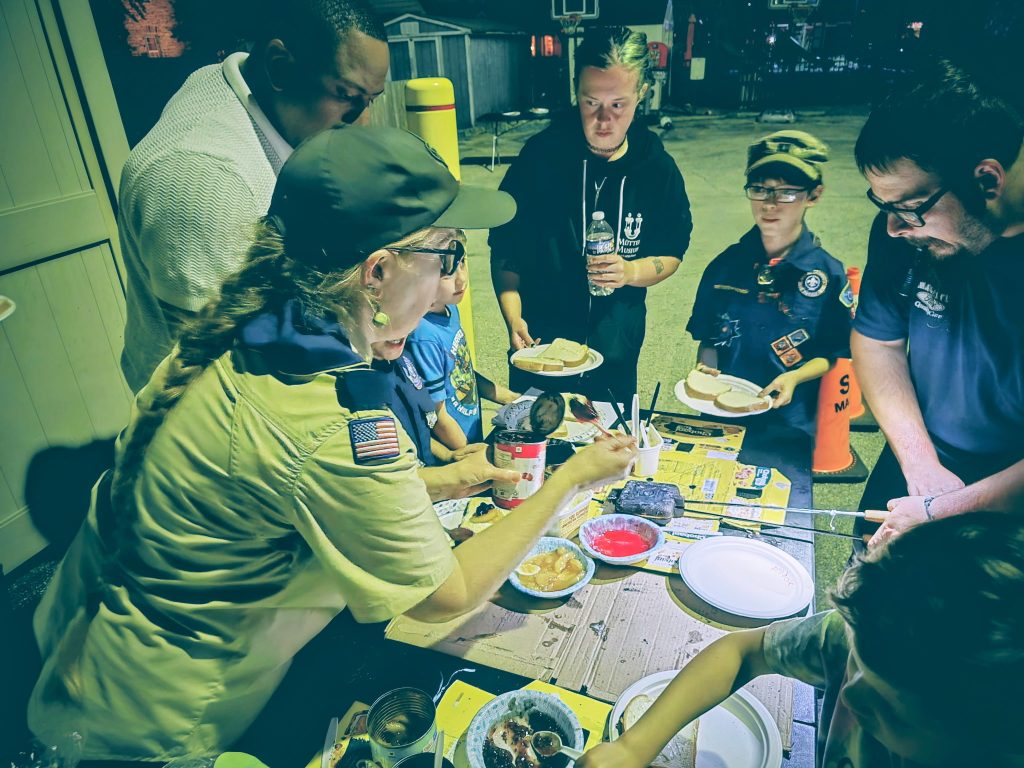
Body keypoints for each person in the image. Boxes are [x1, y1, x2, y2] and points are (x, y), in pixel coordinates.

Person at [27, 126, 638, 762]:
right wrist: (571, 478)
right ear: (378, 272)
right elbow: (446, 595)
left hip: (83, 651)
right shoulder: (333, 419)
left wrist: (443, 480)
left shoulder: (250, 331)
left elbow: (293, 486)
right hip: (155, 719)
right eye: (447, 256)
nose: (449, 283)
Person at [577, 511, 1024, 768]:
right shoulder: (873, 636)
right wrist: (634, 747)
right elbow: (742, 651)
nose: (848, 694)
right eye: (856, 665)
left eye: (890, 708)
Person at [119, 0, 390, 392]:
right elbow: (218, 371)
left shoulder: (251, 91)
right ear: (279, 67)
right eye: (347, 95)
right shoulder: (206, 181)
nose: (363, 123)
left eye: (371, 99)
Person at [850, 59, 1024, 547]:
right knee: (864, 582)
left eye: (909, 209)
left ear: (987, 180)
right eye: (883, 206)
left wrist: (946, 507)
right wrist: (921, 464)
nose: (893, 228)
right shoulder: (907, 233)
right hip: (918, 456)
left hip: (1009, 501)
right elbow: (878, 342)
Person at [489, 26, 692, 402]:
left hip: (616, 353)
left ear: (642, 93)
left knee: (608, 436)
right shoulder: (539, 159)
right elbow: (505, 247)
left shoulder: (656, 169)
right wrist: (513, 316)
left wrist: (631, 271)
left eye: (618, 104)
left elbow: (672, 250)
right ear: (575, 89)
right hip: (540, 350)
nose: (603, 120)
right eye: (590, 102)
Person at [686, 130, 853, 441]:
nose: (770, 204)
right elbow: (709, 339)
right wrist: (705, 368)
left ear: (813, 195)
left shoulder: (828, 274)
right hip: (722, 418)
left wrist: (795, 377)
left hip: (791, 423)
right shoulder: (724, 266)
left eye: (786, 192)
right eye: (760, 190)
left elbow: (833, 351)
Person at [408, 257, 519, 450]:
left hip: (471, 438)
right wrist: (470, 453)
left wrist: (510, 397)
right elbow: (437, 416)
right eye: (445, 273)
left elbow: (460, 372)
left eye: (461, 263)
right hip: (456, 451)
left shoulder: (449, 306)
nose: (461, 279)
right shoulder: (424, 337)